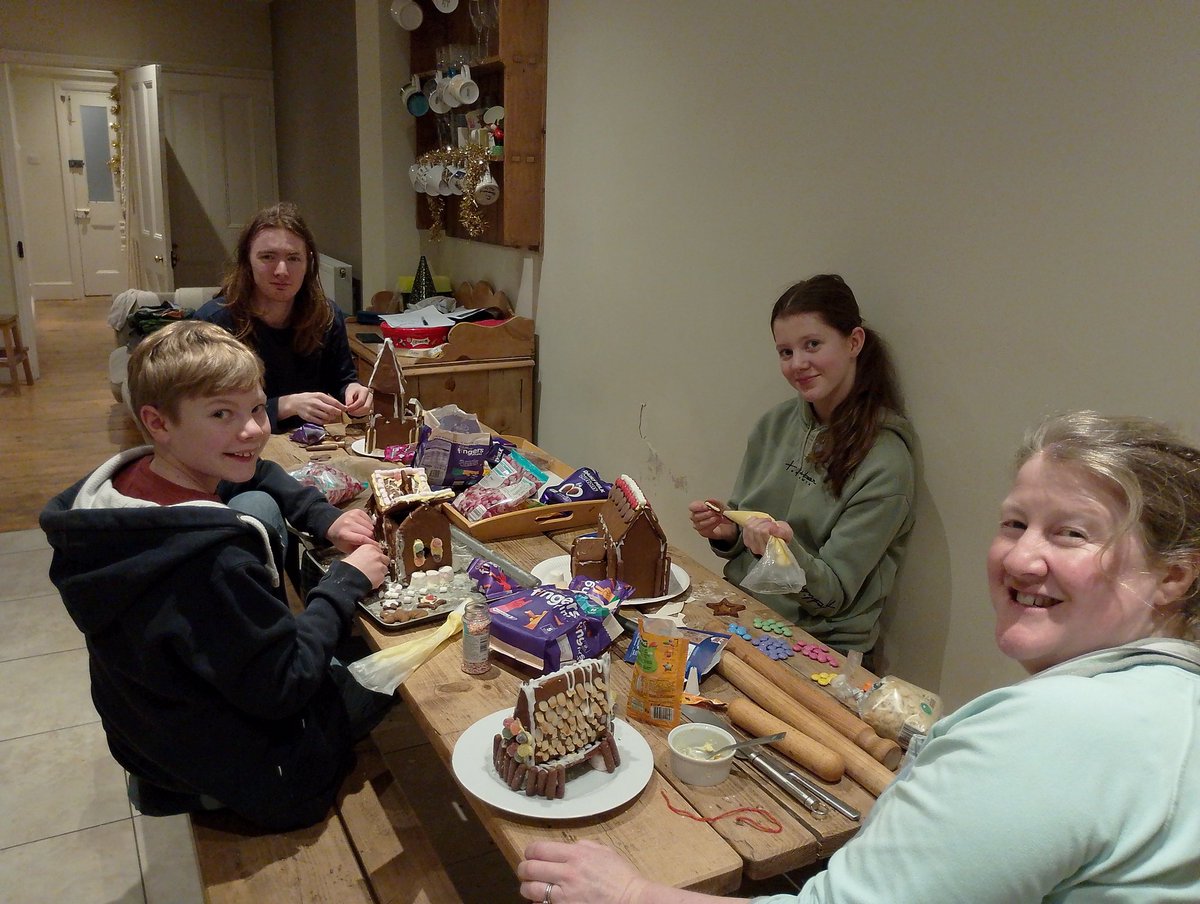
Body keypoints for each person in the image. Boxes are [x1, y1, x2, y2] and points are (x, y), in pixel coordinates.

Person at [517, 411, 1200, 903]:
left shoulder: (1053, 734)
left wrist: (631, 892)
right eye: (1015, 522)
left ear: (1174, 576)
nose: (1022, 556)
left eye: (1072, 534)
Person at [40, 321, 392, 830]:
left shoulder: (124, 487)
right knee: (399, 659)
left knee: (253, 501)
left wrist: (323, 518)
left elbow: (259, 470)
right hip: (246, 770)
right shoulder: (210, 561)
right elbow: (285, 686)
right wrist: (344, 583)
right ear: (158, 422)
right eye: (222, 414)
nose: (251, 430)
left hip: (158, 739)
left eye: (255, 408)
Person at [689, 274, 915, 655]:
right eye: (786, 352)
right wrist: (729, 532)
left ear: (853, 342)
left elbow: (835, 596)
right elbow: (747, 532)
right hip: (744, 610)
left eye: (813, 344)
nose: (799, 364)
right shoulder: (774, 425)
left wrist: (782, 553)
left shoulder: (886, 463)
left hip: (816, 644)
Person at [195, 201, 371, 432]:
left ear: (308, 262)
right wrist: (285, 405)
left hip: (308, 444)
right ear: (247, 261)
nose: (282, 271)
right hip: (236, 444)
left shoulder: (326, 316)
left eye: (293, 258)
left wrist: (353, 391)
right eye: (268, 257)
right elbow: (204, 411)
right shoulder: (214, 323)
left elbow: (342, 379)